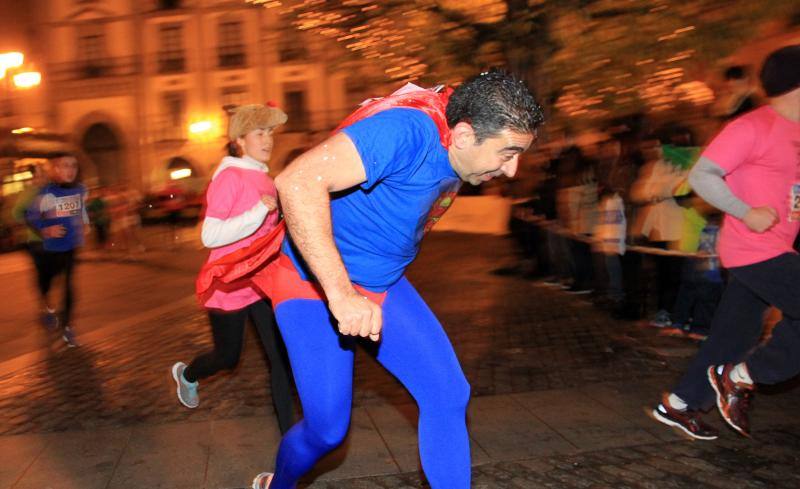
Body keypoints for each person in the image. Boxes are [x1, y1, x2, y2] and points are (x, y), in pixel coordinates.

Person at [243, 71, 542, 488]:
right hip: (312, 284)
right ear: (462, 135)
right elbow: (296, 181)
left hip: (382, 284)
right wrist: (342, 295)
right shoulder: (406, 131)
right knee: (327, 431)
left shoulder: (462, 142)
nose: (512, 170)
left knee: (447, 394)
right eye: (507, 153)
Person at [651, 45, 800, 440]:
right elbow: (702, 176)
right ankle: (743, 376)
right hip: (754, 250)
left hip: (777, 248)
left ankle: (678, 405)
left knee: (732, 335)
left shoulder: (796, 130)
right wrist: (746, 211)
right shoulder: (752, 127)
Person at [171, 104, 295, 434]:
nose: (268, 139)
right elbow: (210, 235)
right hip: (228, 282)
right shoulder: (229, 177)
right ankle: (188, 374)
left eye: (270, 132)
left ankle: (290, 447)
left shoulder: (266, 177)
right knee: (228, 357)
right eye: (260, 132)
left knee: (280, 359)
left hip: (263, 281)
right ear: (240, 139)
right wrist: (257, 212)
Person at [25, 154, 88, 347]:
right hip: (49, 250)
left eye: (73, 166)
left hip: (70, 246)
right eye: (65, 166)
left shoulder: (81, 189)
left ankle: (68, 328)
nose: (70, 170)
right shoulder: (47, 193)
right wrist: (46, 230)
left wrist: (86, 223)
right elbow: (31, 216)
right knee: (47, 283)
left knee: (69, 285)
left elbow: (81, 209)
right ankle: (46, 304)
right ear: (57, 170)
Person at [11, 165, 56, 329]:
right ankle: (45, 303)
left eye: (44, 174)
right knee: (43, 273)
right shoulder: (28, 193)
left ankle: (47, 299)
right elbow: (16, 213)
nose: (43, 177)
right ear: (34, 177)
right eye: (39, 175)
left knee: (52, 271)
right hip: (36, 241)